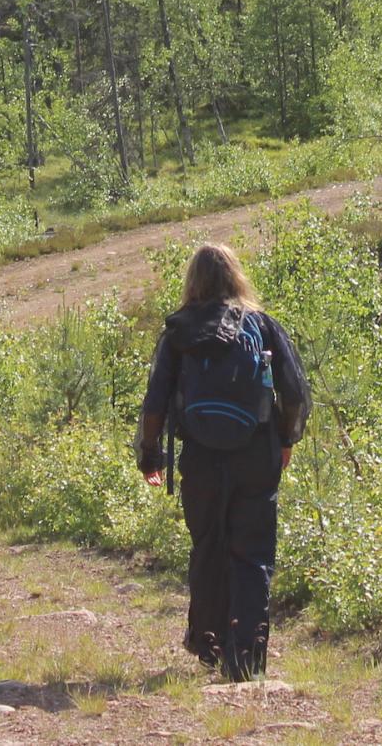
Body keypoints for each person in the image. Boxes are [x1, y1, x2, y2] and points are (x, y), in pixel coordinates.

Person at [136, 242, 310, 682]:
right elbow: (294, 393)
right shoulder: (263, 326)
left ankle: (209, 647)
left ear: (192, 281)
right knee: (251, 555)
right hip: (256, 451)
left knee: (208, 547)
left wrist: (149, 455)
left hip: (200, 458)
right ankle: (246, 662)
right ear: (236, 276)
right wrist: (286, 439)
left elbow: (155, 401)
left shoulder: (178, 333)